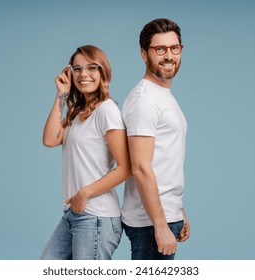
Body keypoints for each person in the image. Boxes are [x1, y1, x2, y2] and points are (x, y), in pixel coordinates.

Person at [40, 45, 131, 260]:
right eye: (77, 69)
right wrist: (61, 95)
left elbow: (126, 168)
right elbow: (49, 139)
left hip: (97, 216)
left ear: (103, 72)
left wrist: (84, 193)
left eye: (92, 67)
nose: (84, 74)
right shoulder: (76, 112)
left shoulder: (106, 110)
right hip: (74, 214)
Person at [121, 18, 190, 260]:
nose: (168, 56)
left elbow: (165, 159)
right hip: (149, 223)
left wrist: (177, 211)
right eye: (159, 49)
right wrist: (160, 225)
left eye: (174, 48)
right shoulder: (145, 100)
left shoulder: (163, 95)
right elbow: (140, 167)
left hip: (164, 215)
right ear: (144, 54)